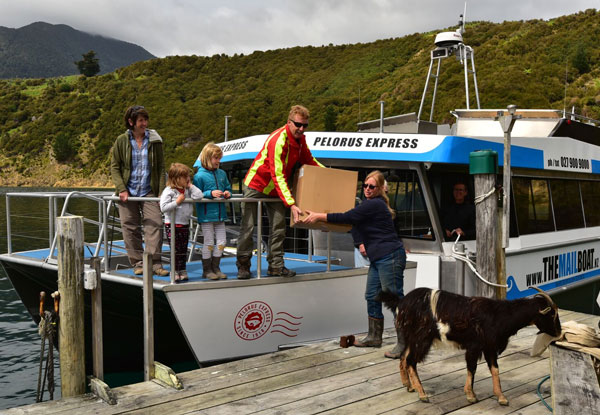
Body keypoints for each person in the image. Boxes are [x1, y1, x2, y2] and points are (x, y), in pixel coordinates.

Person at [302, 170, 406, 358]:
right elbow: (353, 225)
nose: (367, 189)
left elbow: (347, 217)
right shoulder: (369, 205)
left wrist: (319, 216)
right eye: (364, 186)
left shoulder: (375, 204)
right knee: (372, 296)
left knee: (394, 299)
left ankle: (405, 343)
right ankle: (374, 337)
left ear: (381, 189)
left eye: (371, 186)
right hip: (379, 257)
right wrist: (329, 226)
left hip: (389, 256)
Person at [236, 105, 324, 279]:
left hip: (276, 191)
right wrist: (291, 203)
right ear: (289, 122)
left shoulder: (301, 140)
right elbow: (278, 174)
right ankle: (243, 265)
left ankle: (275, 266)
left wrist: (329, 174)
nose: (301, 129)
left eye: (305, 126)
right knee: (248, 226)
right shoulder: (278, 140)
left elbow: (309, 160)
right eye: (298, 124)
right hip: (257, 185)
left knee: (279, 227)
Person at [110, 105, 169, 276]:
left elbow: (160, 166)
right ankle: (138, 263)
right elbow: (115, 167)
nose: (145, 123)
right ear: (131, 122)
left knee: (155, 223)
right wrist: (121, 188)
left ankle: (155, 263)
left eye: (146, 120)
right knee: (130, 227)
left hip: (149, 190)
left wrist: (161, 191)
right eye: (141, 120)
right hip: (128, 190)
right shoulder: (121, 140)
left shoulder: (155, 139)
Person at [193, 142, 232, 280]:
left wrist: (228, 193)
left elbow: (228, 187)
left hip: (221, 214)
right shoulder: (199, 176)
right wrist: (210, 193)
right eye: (216, 158)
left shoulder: (222, 173)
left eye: (219, 158)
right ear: (207, 158)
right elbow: (196, 194)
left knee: (222, 242)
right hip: (206, 215)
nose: (218, 161)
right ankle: (207, 270)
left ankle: (216, 267)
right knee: (208, 242)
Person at [160, 163, 203, 282]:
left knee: (183, 249)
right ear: (176, 178)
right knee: (175, 249)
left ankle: (182, 270)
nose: (187, 179)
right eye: (185, 177)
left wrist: (190, 185)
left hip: (184, 224)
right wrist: (177, 202)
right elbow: (163, 207)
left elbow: (199, 196)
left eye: (188, 176)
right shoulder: (169, 191)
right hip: (172, 225)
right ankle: (174, 271)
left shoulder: (188, 190)